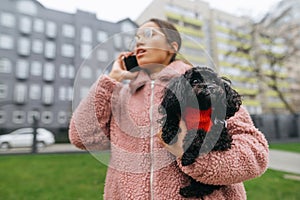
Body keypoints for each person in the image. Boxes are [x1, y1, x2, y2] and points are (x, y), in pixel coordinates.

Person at [69, 18, 269, 199]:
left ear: (172, 47)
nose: (139, 42)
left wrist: (193, 157)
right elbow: (81, 136)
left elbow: (254, 151)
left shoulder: (201, 84)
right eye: (136, 38)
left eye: (148, 34)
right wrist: (111, 80)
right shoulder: (120, 94)